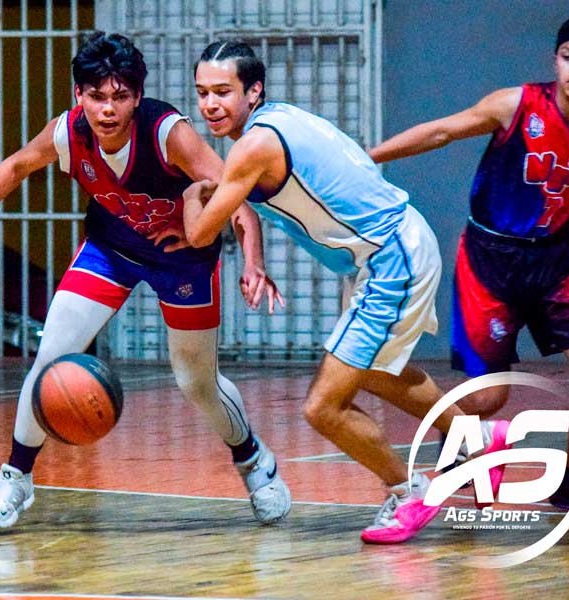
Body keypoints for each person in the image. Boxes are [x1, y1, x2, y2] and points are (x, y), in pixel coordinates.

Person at [0, 32, 292, 529]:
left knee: (195, 382)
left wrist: (252, 261)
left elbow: (236, 197)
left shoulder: (168, 134)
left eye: (119, 97)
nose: (107, 109)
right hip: (110, 250)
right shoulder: (67, 133)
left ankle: (254, 462)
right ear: (79, 95)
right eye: (96, 96)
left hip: (182, 260)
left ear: (137, 97)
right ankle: (15, 479)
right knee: (50, 357)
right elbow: (16, 167)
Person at [184, 41, 509, 544]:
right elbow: (249, 198)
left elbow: (201, 232)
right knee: (378, 372)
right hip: (396, 246)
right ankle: (479, 438)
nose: (210, 104)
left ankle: (408, 490)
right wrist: (256, 262)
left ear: (254, 90)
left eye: (223, 92)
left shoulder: (252, 147)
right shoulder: (282, 119)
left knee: (323, 407)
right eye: (202, 92)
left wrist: (191, 195)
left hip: (390, 258)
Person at [370, 13, 569, 511]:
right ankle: (455, 439)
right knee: (487, 398)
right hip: (490, 258)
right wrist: (367, 157)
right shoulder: (517, 103)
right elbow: (441, 131)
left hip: (555, 259)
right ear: (555, 60)